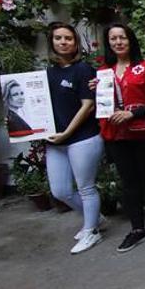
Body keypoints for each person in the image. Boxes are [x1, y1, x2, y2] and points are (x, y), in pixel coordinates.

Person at [90, 23, 145, 253]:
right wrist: (94, 89)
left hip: (144, 132)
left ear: (130, 40)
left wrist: (132, 113)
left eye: (122, 37)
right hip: (115, 134)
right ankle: (136, 228)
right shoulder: (103, 72)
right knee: (128, 182)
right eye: (113, 38)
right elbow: (101, 105)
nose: (118, 42)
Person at [44, 22, 105, 254]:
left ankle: (91, 231)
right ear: (52, 42)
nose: (63, 42)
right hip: (54, 141)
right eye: (58, 38)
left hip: (82, 137)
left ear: (75, 43)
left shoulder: (83, 70)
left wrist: (68, 133)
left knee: (86, 188)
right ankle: (96, 217)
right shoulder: (47, 73)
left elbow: (88, 106)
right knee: (60, 191)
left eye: (68, 38)